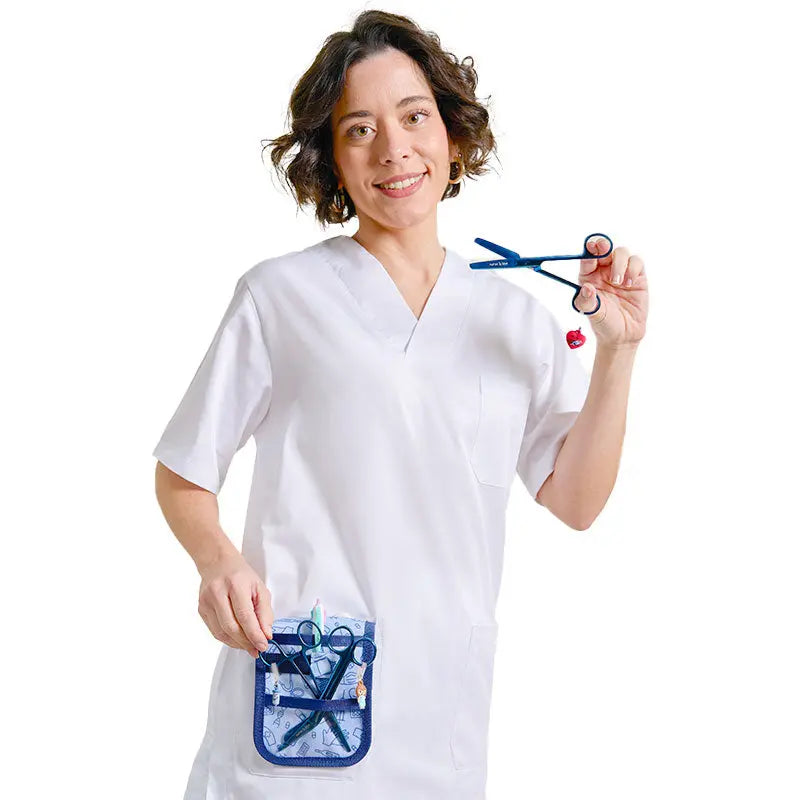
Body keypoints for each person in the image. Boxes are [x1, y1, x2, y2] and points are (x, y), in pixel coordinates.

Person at [152, 9, 648, 800]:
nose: (393, 149)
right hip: (303, 694)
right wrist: (218, 561)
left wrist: (619, 353)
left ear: (450, 133)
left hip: (441, 718)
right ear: (333, 161)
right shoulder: (280, 298)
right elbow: (184, 469)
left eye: (414, 117)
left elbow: (577, 501)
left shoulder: (513, 319)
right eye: (360, 129)